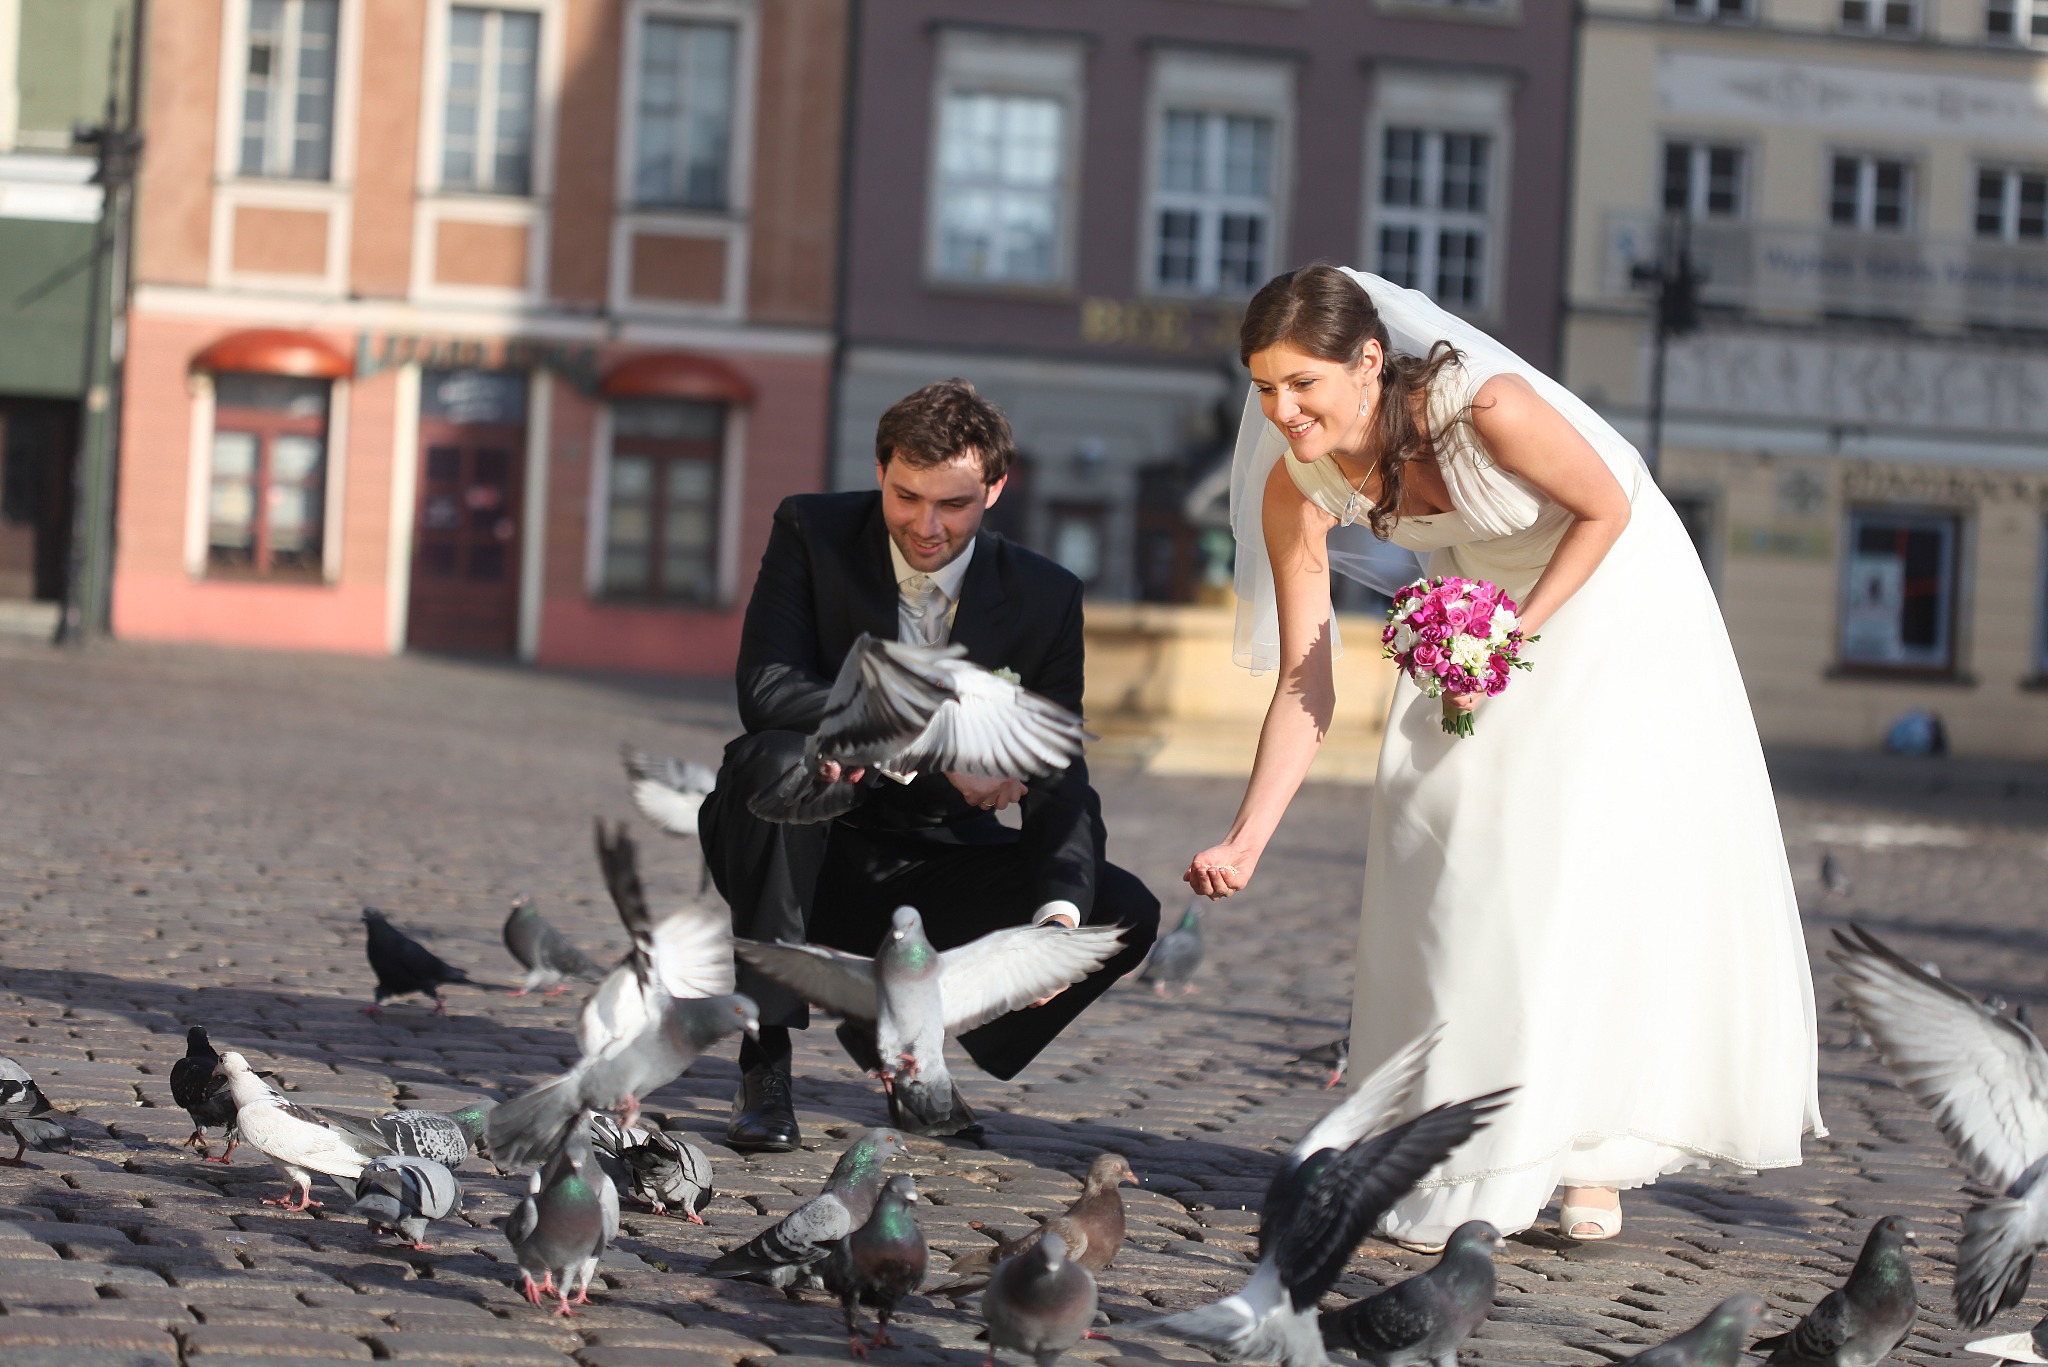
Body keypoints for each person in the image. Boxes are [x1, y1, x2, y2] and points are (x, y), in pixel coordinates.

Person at [1183, 265, 1821, 1249]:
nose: (1280, 409)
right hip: (1475, 612)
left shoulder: (1486, 409)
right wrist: (1246, 834)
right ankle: (1455, 1139)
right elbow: (1307, 678)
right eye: (1262, 386)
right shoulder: (1295, 484)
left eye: (1300, 383)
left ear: (1364, 361)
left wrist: (1509, 638)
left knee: (1573, 866)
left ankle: (1589, 1151)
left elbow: (1608, 510)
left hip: (1606, 596)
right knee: (1442, 844)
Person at [699, 378, 1159, 1152]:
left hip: (939, 866)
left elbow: (1059, 774)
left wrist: (1055, 923)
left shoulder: (1046, 596)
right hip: (806, 848)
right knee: (783, 762)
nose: (926, 525)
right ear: (881, 469)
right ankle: (765, 1059)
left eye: (954, 504)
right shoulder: (811, 530)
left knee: (1121, 909)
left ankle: (908, 1041)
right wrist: (941, 744)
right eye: (907, 497)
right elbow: (769, 688)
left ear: (997, 489)